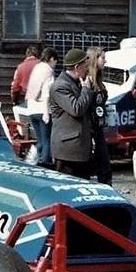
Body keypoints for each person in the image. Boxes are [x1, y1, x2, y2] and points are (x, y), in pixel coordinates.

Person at [49, 48, 93, 179]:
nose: (87, 69)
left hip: (79, 149)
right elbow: (76, 109)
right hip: (68, 151)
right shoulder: (60, 86)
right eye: (85, 66)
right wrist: (86, 89)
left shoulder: (77, 83)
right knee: (66, 191)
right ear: (77, 67)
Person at [25, 47, 57, 167]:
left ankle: (31, 158)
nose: (55, 65)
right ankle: (44, 165)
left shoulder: (36, 68)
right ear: (52, 59)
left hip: (31, 109)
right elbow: (46, 93)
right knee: (46, 141)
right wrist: (46, 113)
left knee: (40, 140)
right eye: (55, 61)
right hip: (43, 110)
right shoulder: (48, 71)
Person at [87, 46, 112, 185]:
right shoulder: (87, 81)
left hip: (100, 128)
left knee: (105, 166)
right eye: (102, 57)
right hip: (90, 130)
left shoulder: (99, 82)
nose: (105, 61)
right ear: (95, 59)